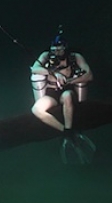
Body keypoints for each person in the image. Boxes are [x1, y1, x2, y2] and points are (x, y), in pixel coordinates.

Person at [30, 33, 95, 163]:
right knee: (36, 109)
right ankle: (67, 132)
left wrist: (70, 81)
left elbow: (89, 75)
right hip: (51, 92)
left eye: (60, 49)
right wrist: (54, 72)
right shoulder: (46, 56)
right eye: (54, 49)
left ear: (66, 47)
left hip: (67, 90)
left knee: (67, 97)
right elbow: (35, 69)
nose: (57, 52)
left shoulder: (75, 57)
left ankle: (69, 130)